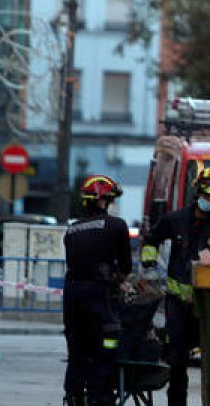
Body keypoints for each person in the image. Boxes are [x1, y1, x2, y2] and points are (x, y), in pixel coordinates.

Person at [140, 166, 210, 406]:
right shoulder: (175, 220)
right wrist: (149, 265)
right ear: (197, 191)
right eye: (205, 194)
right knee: (177, 360)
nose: (208, 200)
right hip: (177, 305)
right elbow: (151, 240)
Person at [63, 174, 133, 406]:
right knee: (106, 346)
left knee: (77, 350)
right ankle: (99, 397)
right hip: (99, 297)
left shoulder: (71, 231)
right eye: (110, 200)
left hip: (72, 297)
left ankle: (74, 396)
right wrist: (118, 281)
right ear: (103, 200)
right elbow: (125, 266)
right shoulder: (116, 226)